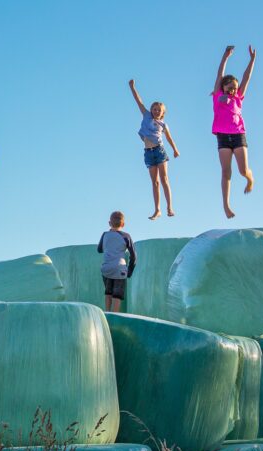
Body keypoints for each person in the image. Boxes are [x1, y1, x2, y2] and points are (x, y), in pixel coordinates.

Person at [213, 45, 256, 219]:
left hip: (238, 136)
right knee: (226, 171)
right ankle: (226, 205)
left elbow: (246, 78)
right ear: (223, 87)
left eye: (234, 88)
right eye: (229, 87)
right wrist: (225, 56)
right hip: (223, 137)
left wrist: (252, 60)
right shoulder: (217, 96)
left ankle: (250, 178)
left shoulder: (238, 98)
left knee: (242, 170)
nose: (232, 90)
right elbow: (219, 74)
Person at [129, 79, 180, 220]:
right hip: (148, 153)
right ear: (151, 110)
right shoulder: (146, 115)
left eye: (159, 110)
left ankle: (169, 207)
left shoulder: (163, 125)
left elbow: (169, 138)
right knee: (155, 182)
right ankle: (157, 210)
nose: (157, 111)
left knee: (164, 179)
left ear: (163, 113)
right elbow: (138, 100)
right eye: (155, 109)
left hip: (160, 151)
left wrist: (175, 150)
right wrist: (132, 87)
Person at [97, 211, 136, 312]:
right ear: (123, 224)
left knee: (108, 293)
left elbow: (99, 249)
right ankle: (114, 316)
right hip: (120, 269)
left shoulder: (105, 235)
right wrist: (130, 271)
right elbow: (133, 255)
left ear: (109, 223)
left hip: (106, 269)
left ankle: (107, 314)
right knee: (117, 296)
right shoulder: (126, 236)